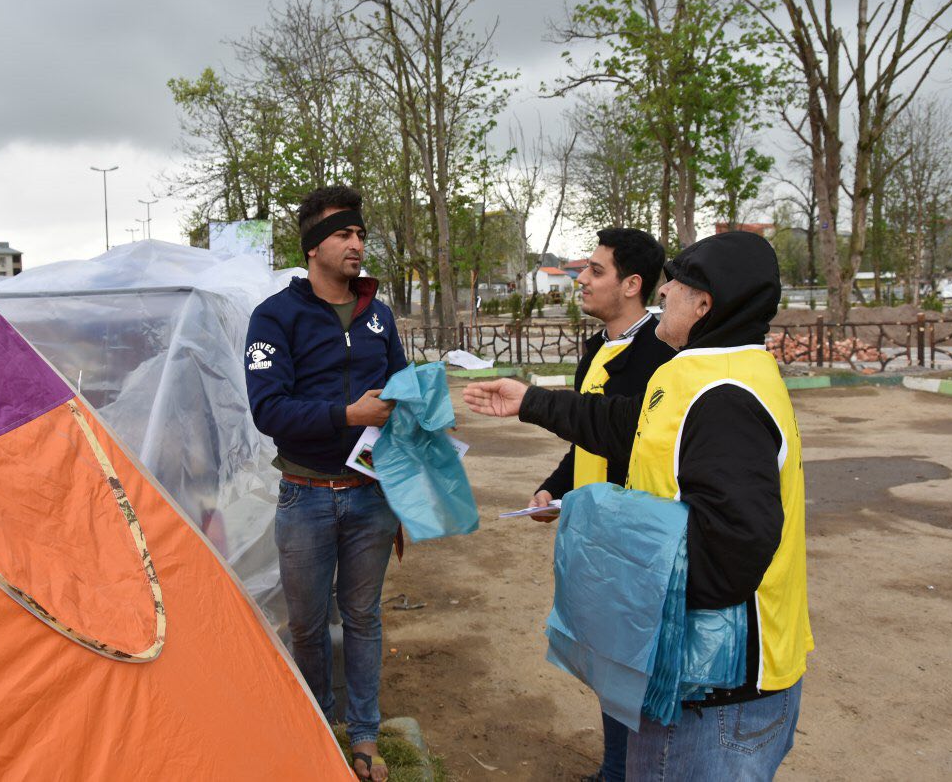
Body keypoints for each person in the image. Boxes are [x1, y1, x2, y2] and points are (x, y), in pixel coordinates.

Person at [464, 231, 813, 780]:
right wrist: (531, 401)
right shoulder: (694, 372)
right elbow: (627, 423)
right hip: (693, 677)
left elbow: (734, 546)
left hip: (715, 690)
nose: (665, 292)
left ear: (705, 304)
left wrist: (613, 544)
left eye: (677, 284)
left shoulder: (726, 396)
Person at [245, 186, 405, 782]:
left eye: (360, 235)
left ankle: (363, 736)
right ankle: (316, 729)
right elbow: (270, 411)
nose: (357, 245)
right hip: (305, 497)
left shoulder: (379, 316)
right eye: (344, 235)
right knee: (309, 626)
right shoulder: (274, 317)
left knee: (362, 617)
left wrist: (407, 487)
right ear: (314, 247)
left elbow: (403, 394)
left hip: (371, 497)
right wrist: (346, 415)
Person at [531, 229, 675, 782]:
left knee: (639, 668)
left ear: (633, 285)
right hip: (597, 532)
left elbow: (625, 435)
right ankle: (615, 769)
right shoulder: (599, 348)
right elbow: (588, 436)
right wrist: (555, 488)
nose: (581, 280)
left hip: (638, 538)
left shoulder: (660, 356)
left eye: (595, 271)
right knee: (611, 665)